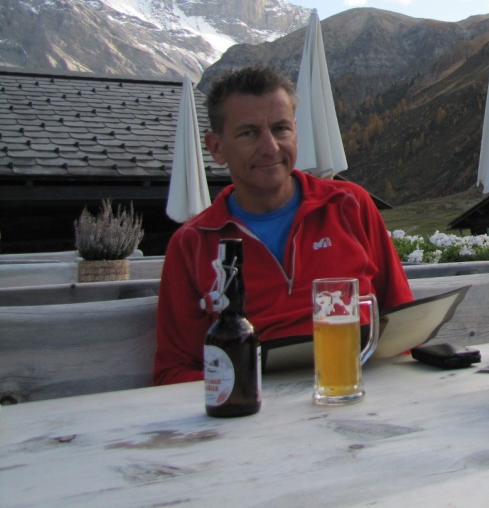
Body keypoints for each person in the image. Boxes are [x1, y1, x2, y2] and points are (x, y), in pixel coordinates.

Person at [154, 65, 413, 385]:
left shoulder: (349, 205)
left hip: (355, 391)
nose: (270, 147)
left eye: (280, 129)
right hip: (253, 413)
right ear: (216, 147)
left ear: (295, 132)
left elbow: (403, 325)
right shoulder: (192, 243)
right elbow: (174, 369)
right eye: (249, 133)